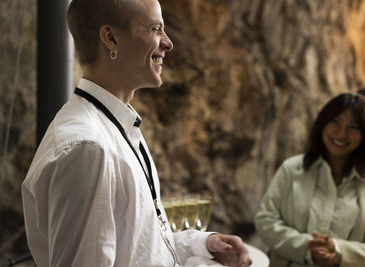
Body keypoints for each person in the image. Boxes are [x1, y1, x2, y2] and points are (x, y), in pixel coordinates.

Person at [22, 0, 252, 266]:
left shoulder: (117, 127)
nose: (168, 43)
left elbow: (138, 247)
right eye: (155, 29)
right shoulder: (89, 147)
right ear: (111, 38)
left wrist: (202, 244)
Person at [254, 92, 365, 267]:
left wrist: (339, 250)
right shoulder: (291, 169)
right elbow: (265, 221)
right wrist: (308, 249)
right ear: (323, 123)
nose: (342, 134)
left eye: (353, 127)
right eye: (335, 122)